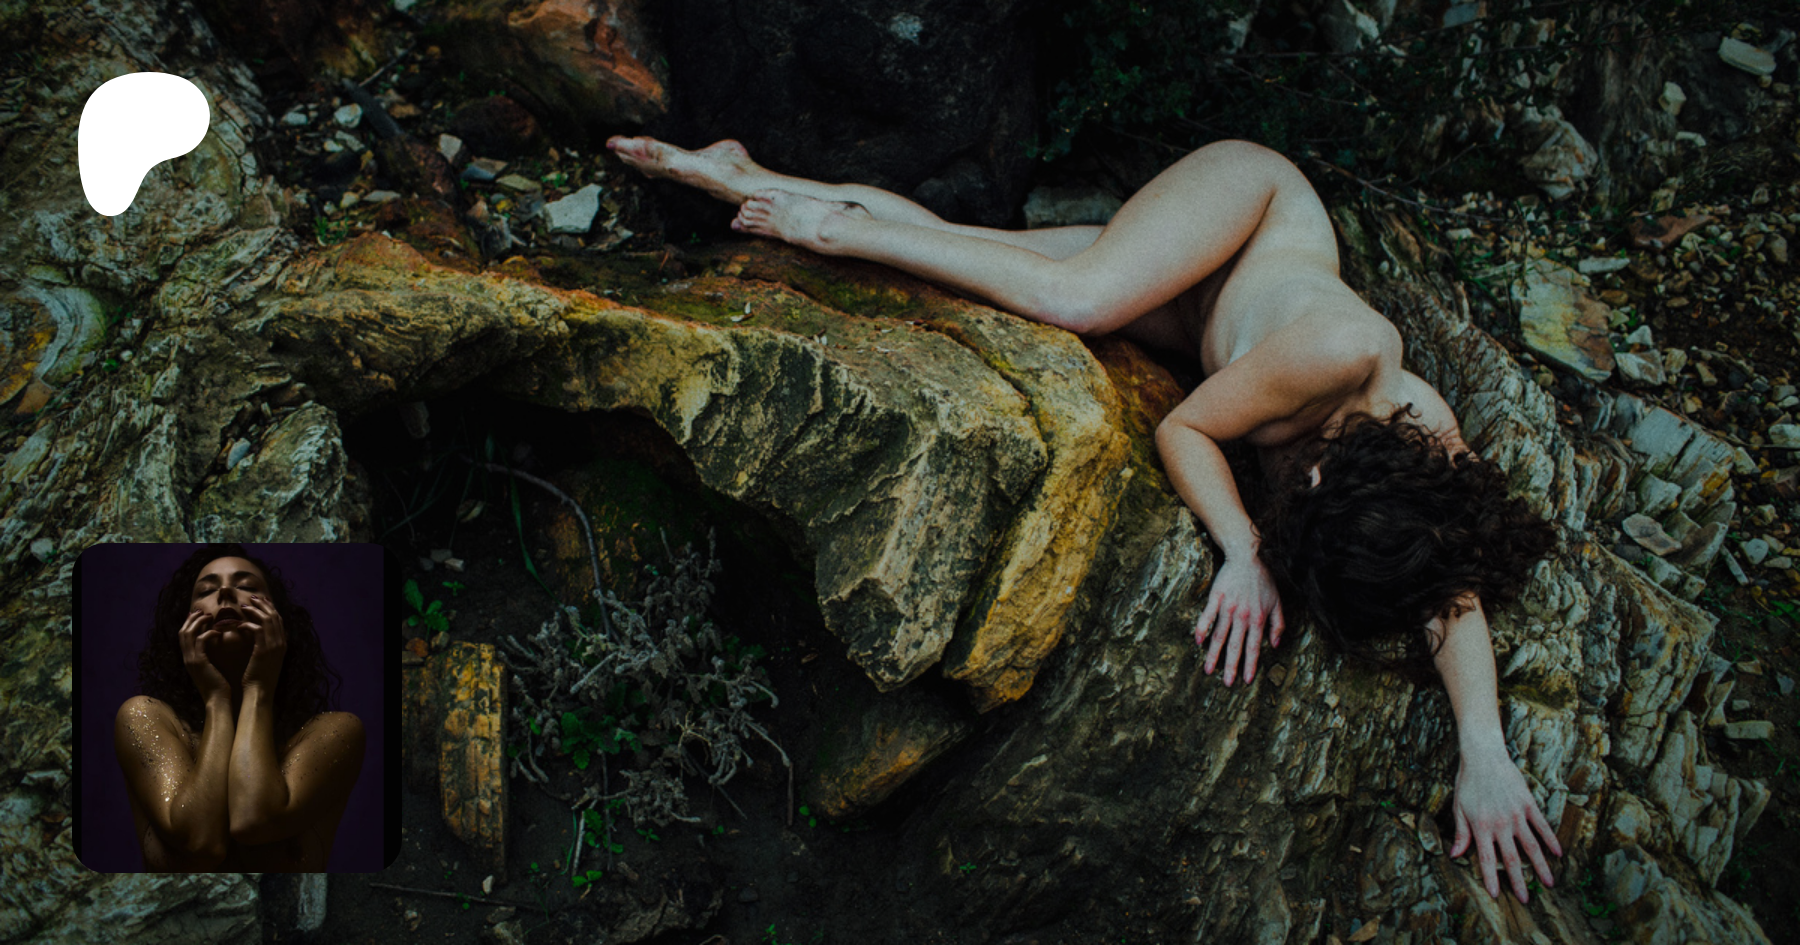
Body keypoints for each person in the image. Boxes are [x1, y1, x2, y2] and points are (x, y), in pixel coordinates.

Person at [607, 135, 1564, 904]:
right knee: (1075, 298)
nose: (1299, 491)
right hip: (1247, 210)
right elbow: (1186, 427)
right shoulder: (1340, 352)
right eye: (1311, 493)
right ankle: (826, 228)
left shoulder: (1423, 464)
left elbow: (1447, 587)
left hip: (1199, 309)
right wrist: (1242, 549)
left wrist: (1484, 751)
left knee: (969, 250)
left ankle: (743, 173)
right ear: (1347, 473)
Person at [113, 544, 364, 871]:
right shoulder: (144, 717)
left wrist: (257, 689)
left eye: (246, 586)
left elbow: (253, 821)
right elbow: (201, 841)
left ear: (279, 621)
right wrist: (217, 699)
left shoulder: (335, 732)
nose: (226, 593)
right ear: (184, 624)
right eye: (206, 590)